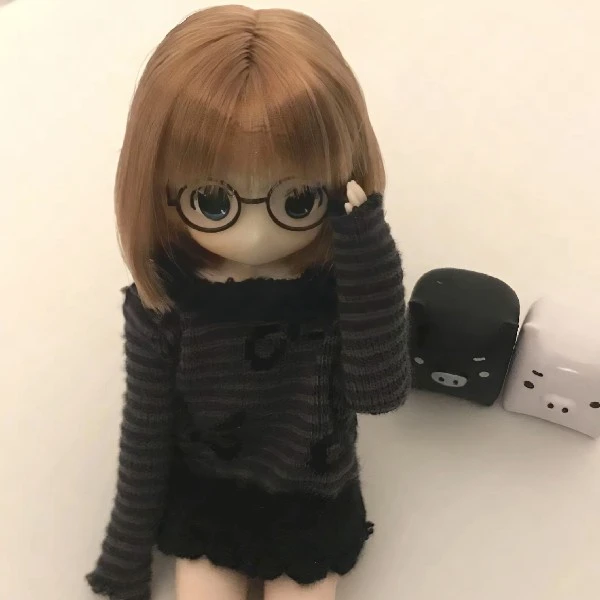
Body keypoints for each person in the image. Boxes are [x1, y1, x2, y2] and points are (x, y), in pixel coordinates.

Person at [86, 5, 410, 599]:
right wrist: (126, 554)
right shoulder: (168, 304)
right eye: (213, 202)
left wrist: (367, 250)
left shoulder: (337, 291)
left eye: (298, 200)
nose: (255, 236)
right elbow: (146, 435)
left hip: (313, 504)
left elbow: (379, 393)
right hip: (210, 500)